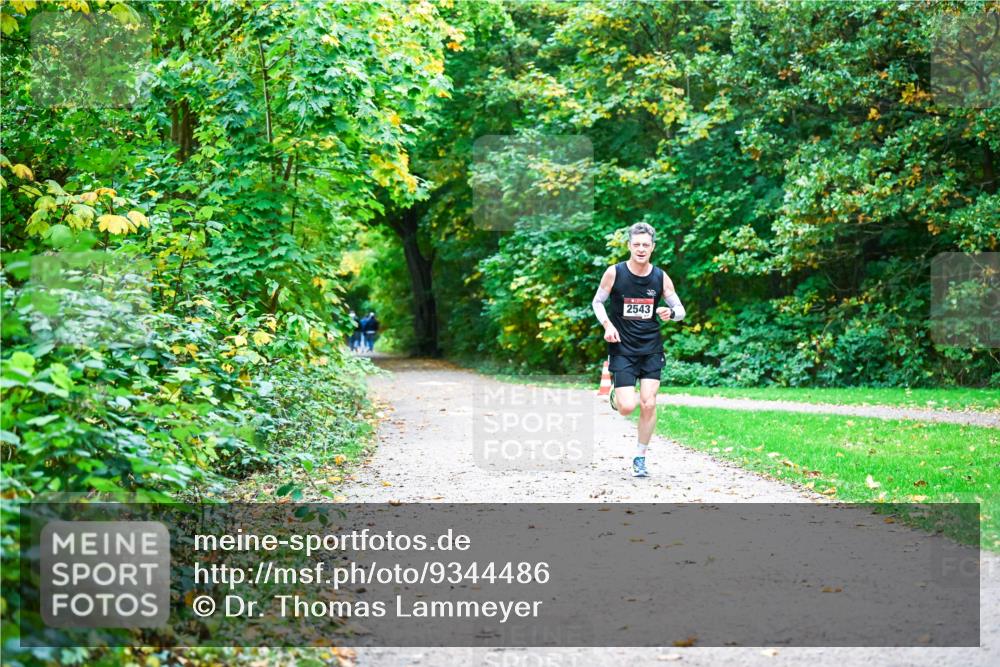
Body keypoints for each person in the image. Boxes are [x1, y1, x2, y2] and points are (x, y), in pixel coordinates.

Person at [591, 222, 685, 478]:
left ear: (652, 247)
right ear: (629, 246)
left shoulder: (660, 277)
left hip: (651, 348)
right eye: (637, 245)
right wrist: (607, 325)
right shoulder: (615, 273)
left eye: (646, 245)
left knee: (649, 402)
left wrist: (670, 313)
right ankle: (617, 394)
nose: (641, 249)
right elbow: (597, 302)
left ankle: (640, 457)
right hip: (622, 348)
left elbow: (680, 310)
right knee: (627, 407)